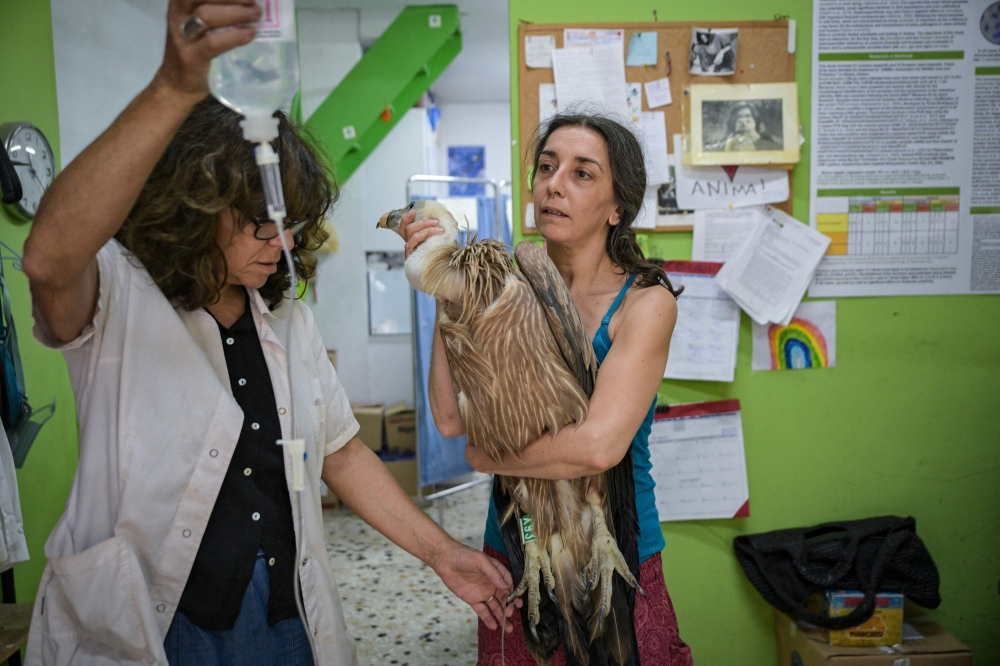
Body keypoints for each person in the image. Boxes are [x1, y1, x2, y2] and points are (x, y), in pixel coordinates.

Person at [21, 1, 514, 664]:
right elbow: (49, 259)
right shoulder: (117, 299)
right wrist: (173, 87)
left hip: (281, 613)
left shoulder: (285, 318)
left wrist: (441, 553)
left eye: (287, 222)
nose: (280, 241)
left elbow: (340, 453)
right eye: (258, 221)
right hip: (151, 624)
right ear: (195, 205)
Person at [400, 113, 695, 665]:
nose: (554, 183)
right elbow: (447, 418)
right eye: (546, 167)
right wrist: (446, 285)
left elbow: (598, 447)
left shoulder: (645, 302)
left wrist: (489, 455)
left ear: (617, 207)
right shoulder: (503, 282)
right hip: (518, 541)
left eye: (583, 174)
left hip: (613, 549)